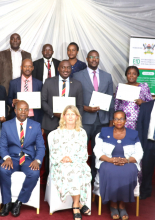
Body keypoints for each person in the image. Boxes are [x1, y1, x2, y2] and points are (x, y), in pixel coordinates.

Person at [93, 111, 143, 220]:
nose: (118, 121)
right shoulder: (104, 131)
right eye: (116, 119)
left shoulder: (133, 133)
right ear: (113, 121)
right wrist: (110, 160)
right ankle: (113, 204)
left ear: (125, 120)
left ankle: (122, 204)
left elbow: (140, 153)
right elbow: (97, 150)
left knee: (129, 171)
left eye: (121, 119)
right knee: (111, 172)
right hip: (107, 161)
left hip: (128, 162)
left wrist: (126, 160)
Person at [0, 101, 45, 217]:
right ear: (15, 111)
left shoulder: (36, 125)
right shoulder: (6, 125)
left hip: (28, 159)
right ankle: (7, 203)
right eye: (20, 109)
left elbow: (41, 147)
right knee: (3, 170)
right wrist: (7, 158)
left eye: (25, 109)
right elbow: (2, 146)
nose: (23, 112)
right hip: (12, 158)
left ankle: (19, 202)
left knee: (34, 173)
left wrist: (37, 160)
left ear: (28, 111)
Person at [73, 50, 114, 180]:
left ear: (99, 59)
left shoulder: (107, 76)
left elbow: (110, 100)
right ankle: (80, 177)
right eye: (91, 57)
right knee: (80, 150)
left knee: (99, 151)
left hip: (102, 121)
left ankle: (95, 179)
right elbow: (74, 97)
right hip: (84, 119)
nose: (94, 59)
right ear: (87, 59)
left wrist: (111, 119)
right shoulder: (78, 75)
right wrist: (85, 108)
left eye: (96, 57)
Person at [48, 105, 91, 220]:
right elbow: (54, 152)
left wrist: (72, 159)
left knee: (76, 170)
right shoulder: (57, 133)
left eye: (73, 114)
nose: (70, 117)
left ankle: (76, 204)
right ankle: (78, 205)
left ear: (77, 117)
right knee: (69, 170)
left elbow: (84, 153)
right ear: (64, 116)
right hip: (61, 163)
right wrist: (63, 159)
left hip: (77, 162)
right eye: (68, 114)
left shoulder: (82, 133)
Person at [41, 60, 83, 174]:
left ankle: (68, 174)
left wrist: (73, 118)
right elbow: (43, 101)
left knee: (68, 150)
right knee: (52, 151)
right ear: (58, 69)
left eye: (68, 68)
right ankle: (50, 176)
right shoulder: (49, 82)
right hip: (51, 121)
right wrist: (53, 113)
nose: (66, 70)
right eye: (63, 67)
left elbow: (79, 105)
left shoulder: (77, 84)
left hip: (70, 124)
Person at [8, 58, 43, 124]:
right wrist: (13, 102)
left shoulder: (39, 83)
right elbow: (8, 99)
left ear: (33, 68)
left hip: (34, 117)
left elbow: (42, 101)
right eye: (25, 66)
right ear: (21, 67)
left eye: (30, 66)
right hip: (17, 117)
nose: (27, 69)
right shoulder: (13, 83)